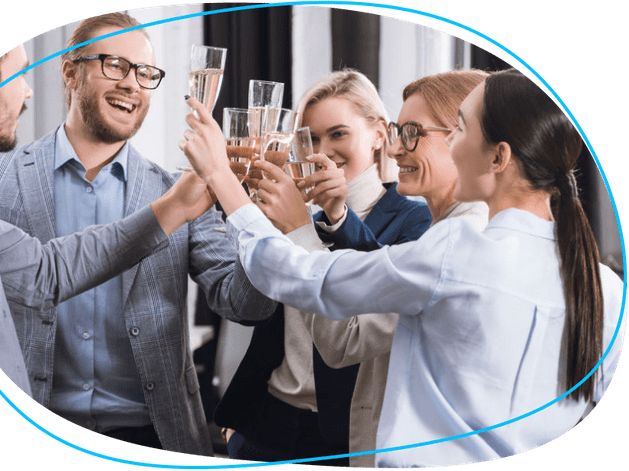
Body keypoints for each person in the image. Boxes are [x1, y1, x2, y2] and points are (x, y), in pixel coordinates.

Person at [180, 69, 626, 468]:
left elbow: (298, 276)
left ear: (498, 157)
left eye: (459, 130)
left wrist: (221, 175)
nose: (397, 148)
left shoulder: (456, 249)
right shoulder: (607, 287)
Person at [0, 13, 275, 456]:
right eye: (114, 65)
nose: (132, 84)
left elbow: (246, 304)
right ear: (70, 71)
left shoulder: (181, 191)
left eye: (144, 73)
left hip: (155, 440)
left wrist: (260, 223)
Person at [0, 44, 214, 400]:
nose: (29, 89)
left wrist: (177, 205)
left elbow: (48, 271)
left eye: (143, 73)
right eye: (20, 73)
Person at [252, 70, 490, 467]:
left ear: (466, 140)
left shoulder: (449, 243)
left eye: (413, 134)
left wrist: (297, 230)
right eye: (400, 131)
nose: (398, 150)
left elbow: (343, 341)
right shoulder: (442, 231)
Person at [212, 70, 431, 466]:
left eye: (338, 134)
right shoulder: (294, 212)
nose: (322, 150)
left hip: (345, 436)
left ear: (380, 134)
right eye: (310, 138)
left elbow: (376, 292)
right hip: (264, 422)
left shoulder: (414, 219)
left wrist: (338, 215)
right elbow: (249, 307)